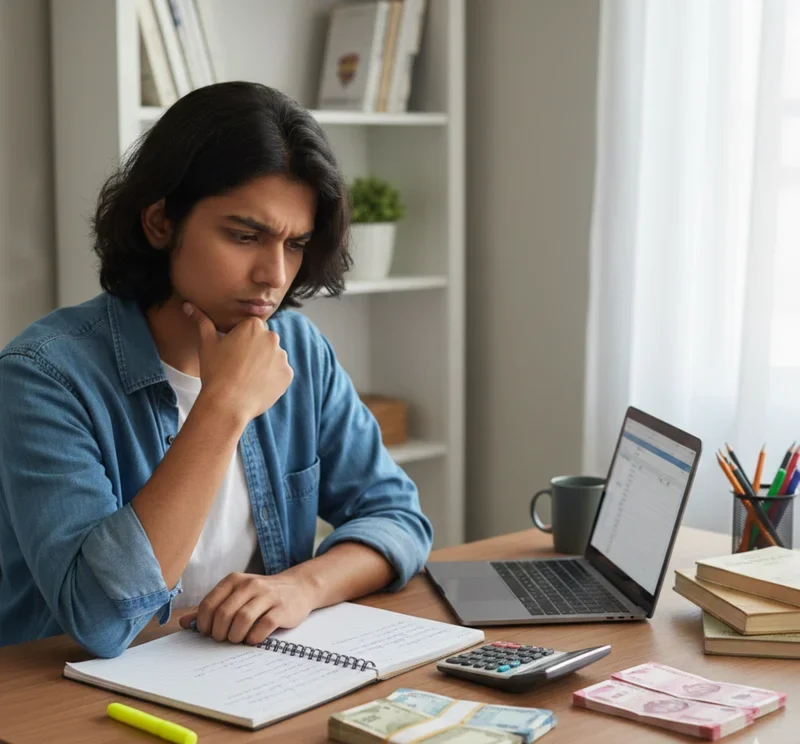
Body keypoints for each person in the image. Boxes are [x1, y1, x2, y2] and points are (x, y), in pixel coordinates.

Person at [0, 82, 433, 657]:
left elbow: (398, 518)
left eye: (295, 244)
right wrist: (223, 407)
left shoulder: (298, 349)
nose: (274, 275)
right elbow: (99, 618)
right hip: (67, 692)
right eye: (245, 236)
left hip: (249, 676)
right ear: (161, 222)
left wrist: (302, 587)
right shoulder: (43, 377)